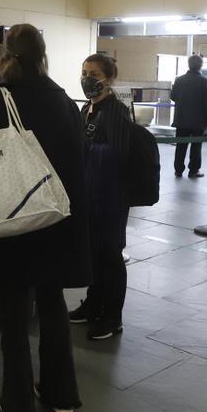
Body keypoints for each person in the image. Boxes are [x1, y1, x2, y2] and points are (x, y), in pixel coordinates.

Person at [0, 24, 89, 412]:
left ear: (6, 56)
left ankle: (17, 405)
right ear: (43, 55)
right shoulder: (63, 99)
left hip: (12, 220)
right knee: (52, 308)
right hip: (54, 219)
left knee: (13, 314)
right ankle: (61, 394)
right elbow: (76, 158)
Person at [68, 53, 132, 341]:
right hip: (88, 193)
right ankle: (93, 303)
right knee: (93, 252)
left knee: (110, 255)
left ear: (109, 78)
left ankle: (112, 315)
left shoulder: (115, 111)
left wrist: (84, 147)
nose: (87, 79)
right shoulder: (87, 109)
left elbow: (119, 154)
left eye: (94, 74)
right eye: (85, 73)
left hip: (110, 197)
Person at [170, 55, 207, 178]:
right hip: (198, 121)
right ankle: (193, 170)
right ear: (201, 65)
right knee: (196, 146)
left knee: (180, 145)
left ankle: (178, 169)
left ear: (189, 64)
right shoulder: (205, 81)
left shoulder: (179, 80)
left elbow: (173, 96)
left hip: (181, 119)